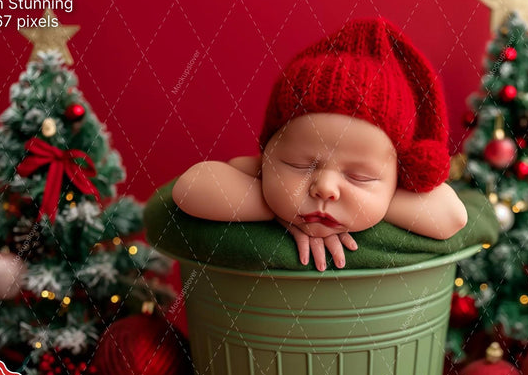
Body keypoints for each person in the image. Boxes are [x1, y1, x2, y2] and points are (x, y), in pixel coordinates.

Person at [172, 17, 468, 271]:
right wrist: (276, 207)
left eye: (359, 177)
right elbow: (189, 188)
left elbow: (452, 216)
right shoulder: (260, 172)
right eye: (299, 165)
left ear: (400, 176)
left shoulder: (391, 188)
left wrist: (377, 204)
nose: (325, 188)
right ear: (268, 155)